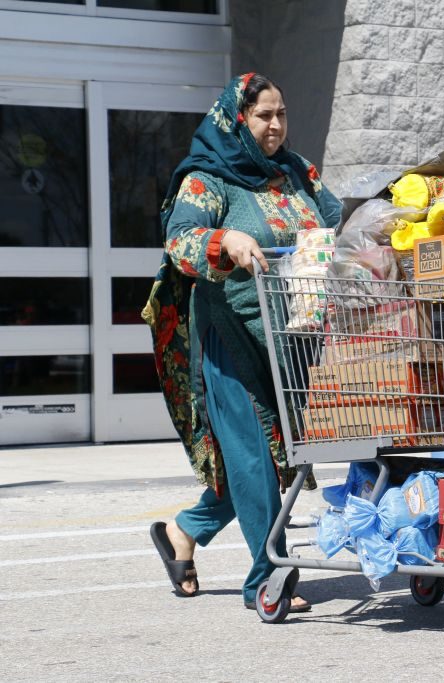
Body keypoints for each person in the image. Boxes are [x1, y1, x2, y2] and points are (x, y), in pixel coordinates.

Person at [142, 73, 342, 612]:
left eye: (281, 115)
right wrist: (224, 239)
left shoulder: (297, 174)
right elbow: (180, 240)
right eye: (263, 116)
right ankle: (267, 579)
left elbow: (334, 225)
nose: (275, 125)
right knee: (254, 459)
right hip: (229, 333)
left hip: (290, 338)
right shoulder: (208, 179)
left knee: (271, 464)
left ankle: (183, 533)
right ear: (238, 119)